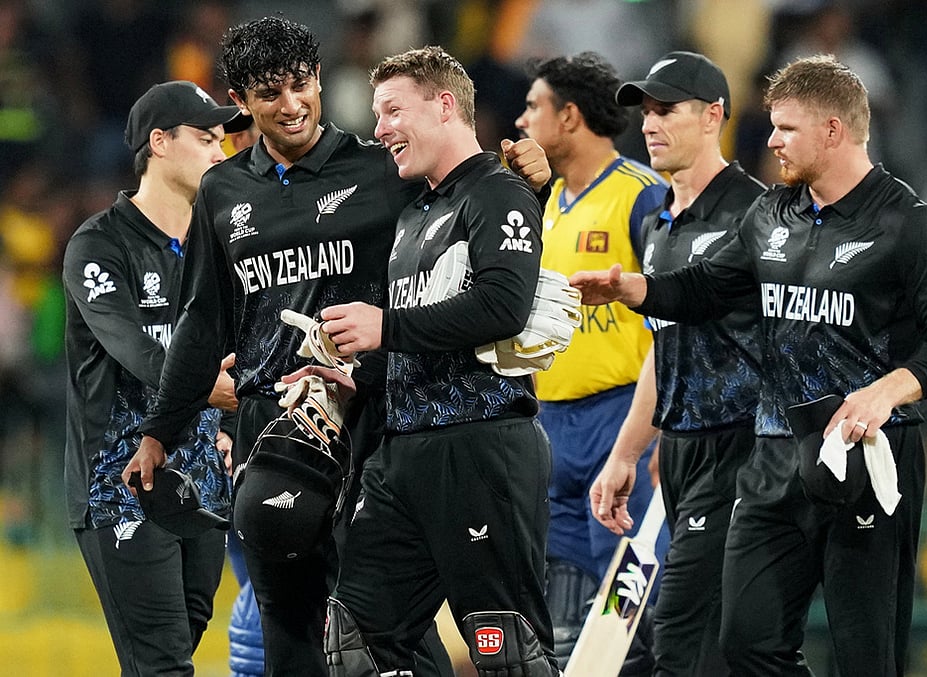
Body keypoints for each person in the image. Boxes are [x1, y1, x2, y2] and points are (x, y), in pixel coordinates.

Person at [122, 16, 550, 677]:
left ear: (319, 79)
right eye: (269, 93)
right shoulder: (222, 192)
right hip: (273, 432)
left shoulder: (386, 168)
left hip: (372, 422)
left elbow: (468, 194)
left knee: (390, 634)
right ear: (240, 102)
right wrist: (159, 430)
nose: (291, 104)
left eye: (300, 84)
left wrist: (530, 177)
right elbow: (202, 324)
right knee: (293, 630)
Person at [573, 55, 927, 676]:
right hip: (773, 453)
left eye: (786, 128)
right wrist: (637, 289)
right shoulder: (771, 214)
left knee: (866, 660)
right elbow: (708, 287)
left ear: (833, 131)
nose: (771, 141)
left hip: (869, 455)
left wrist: (888, 392)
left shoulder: (909, 224)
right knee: (746, 641)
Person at [314, 45, 560, 676]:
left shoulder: (499, 192)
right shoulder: (414, 213)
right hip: (403, 455)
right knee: (355, 646)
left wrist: (384, 326)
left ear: (445, 105)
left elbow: (503, 306)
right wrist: (354, 376)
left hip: (481, 448)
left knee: (508, 654)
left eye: (393, 110)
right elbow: (415, 339)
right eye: (378, 115)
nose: (380, 128)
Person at [588, 52, 766, 675]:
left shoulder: (756, 215)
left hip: (744, 448)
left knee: (681, 636)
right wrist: (626, 453)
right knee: (715, 643)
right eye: (646, 113)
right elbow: (664, 349)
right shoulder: (658, 224)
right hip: (683, 454)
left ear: (713, 115)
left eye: (666, 110)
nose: (649, 124)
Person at [62, 80, 244, 676]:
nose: (220, 152)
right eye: (206, 138)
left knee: (172, 652)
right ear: (159, 143)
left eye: (222, 141)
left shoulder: (220, 246)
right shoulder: (98, 245)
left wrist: (229, 426)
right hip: (118, 487)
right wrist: (205, 389)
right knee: (163, 664)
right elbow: (132, 348)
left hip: (202, 482)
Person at [512, 50, 668, 671]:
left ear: (569, 116)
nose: (522, 121)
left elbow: (674, 316)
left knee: (631, 618)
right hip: (551, 425)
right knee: (563, 624)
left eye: (533, 107)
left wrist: (653, 434)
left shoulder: (642, 196)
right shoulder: (543, 203)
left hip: (620, 420)